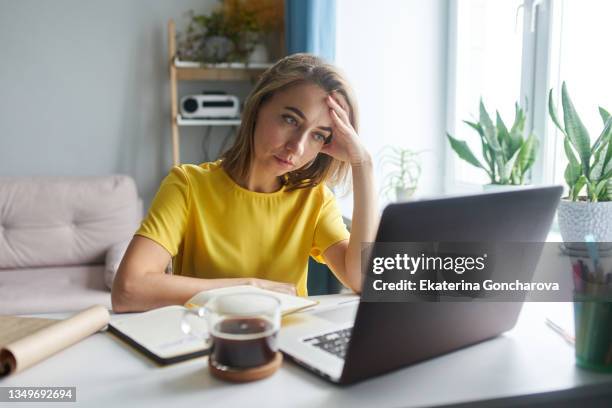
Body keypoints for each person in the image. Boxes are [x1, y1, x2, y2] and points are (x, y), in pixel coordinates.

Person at [111, 53, 377, 313]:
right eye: (290, 120)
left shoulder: (314, 199)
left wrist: (363, 164)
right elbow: (128, 290)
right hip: (205, 344)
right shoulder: (188, 185)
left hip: (287, 345)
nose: (297, 147)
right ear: (258, 106)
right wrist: (249, 287)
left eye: (318, 136)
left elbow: (364, 281)